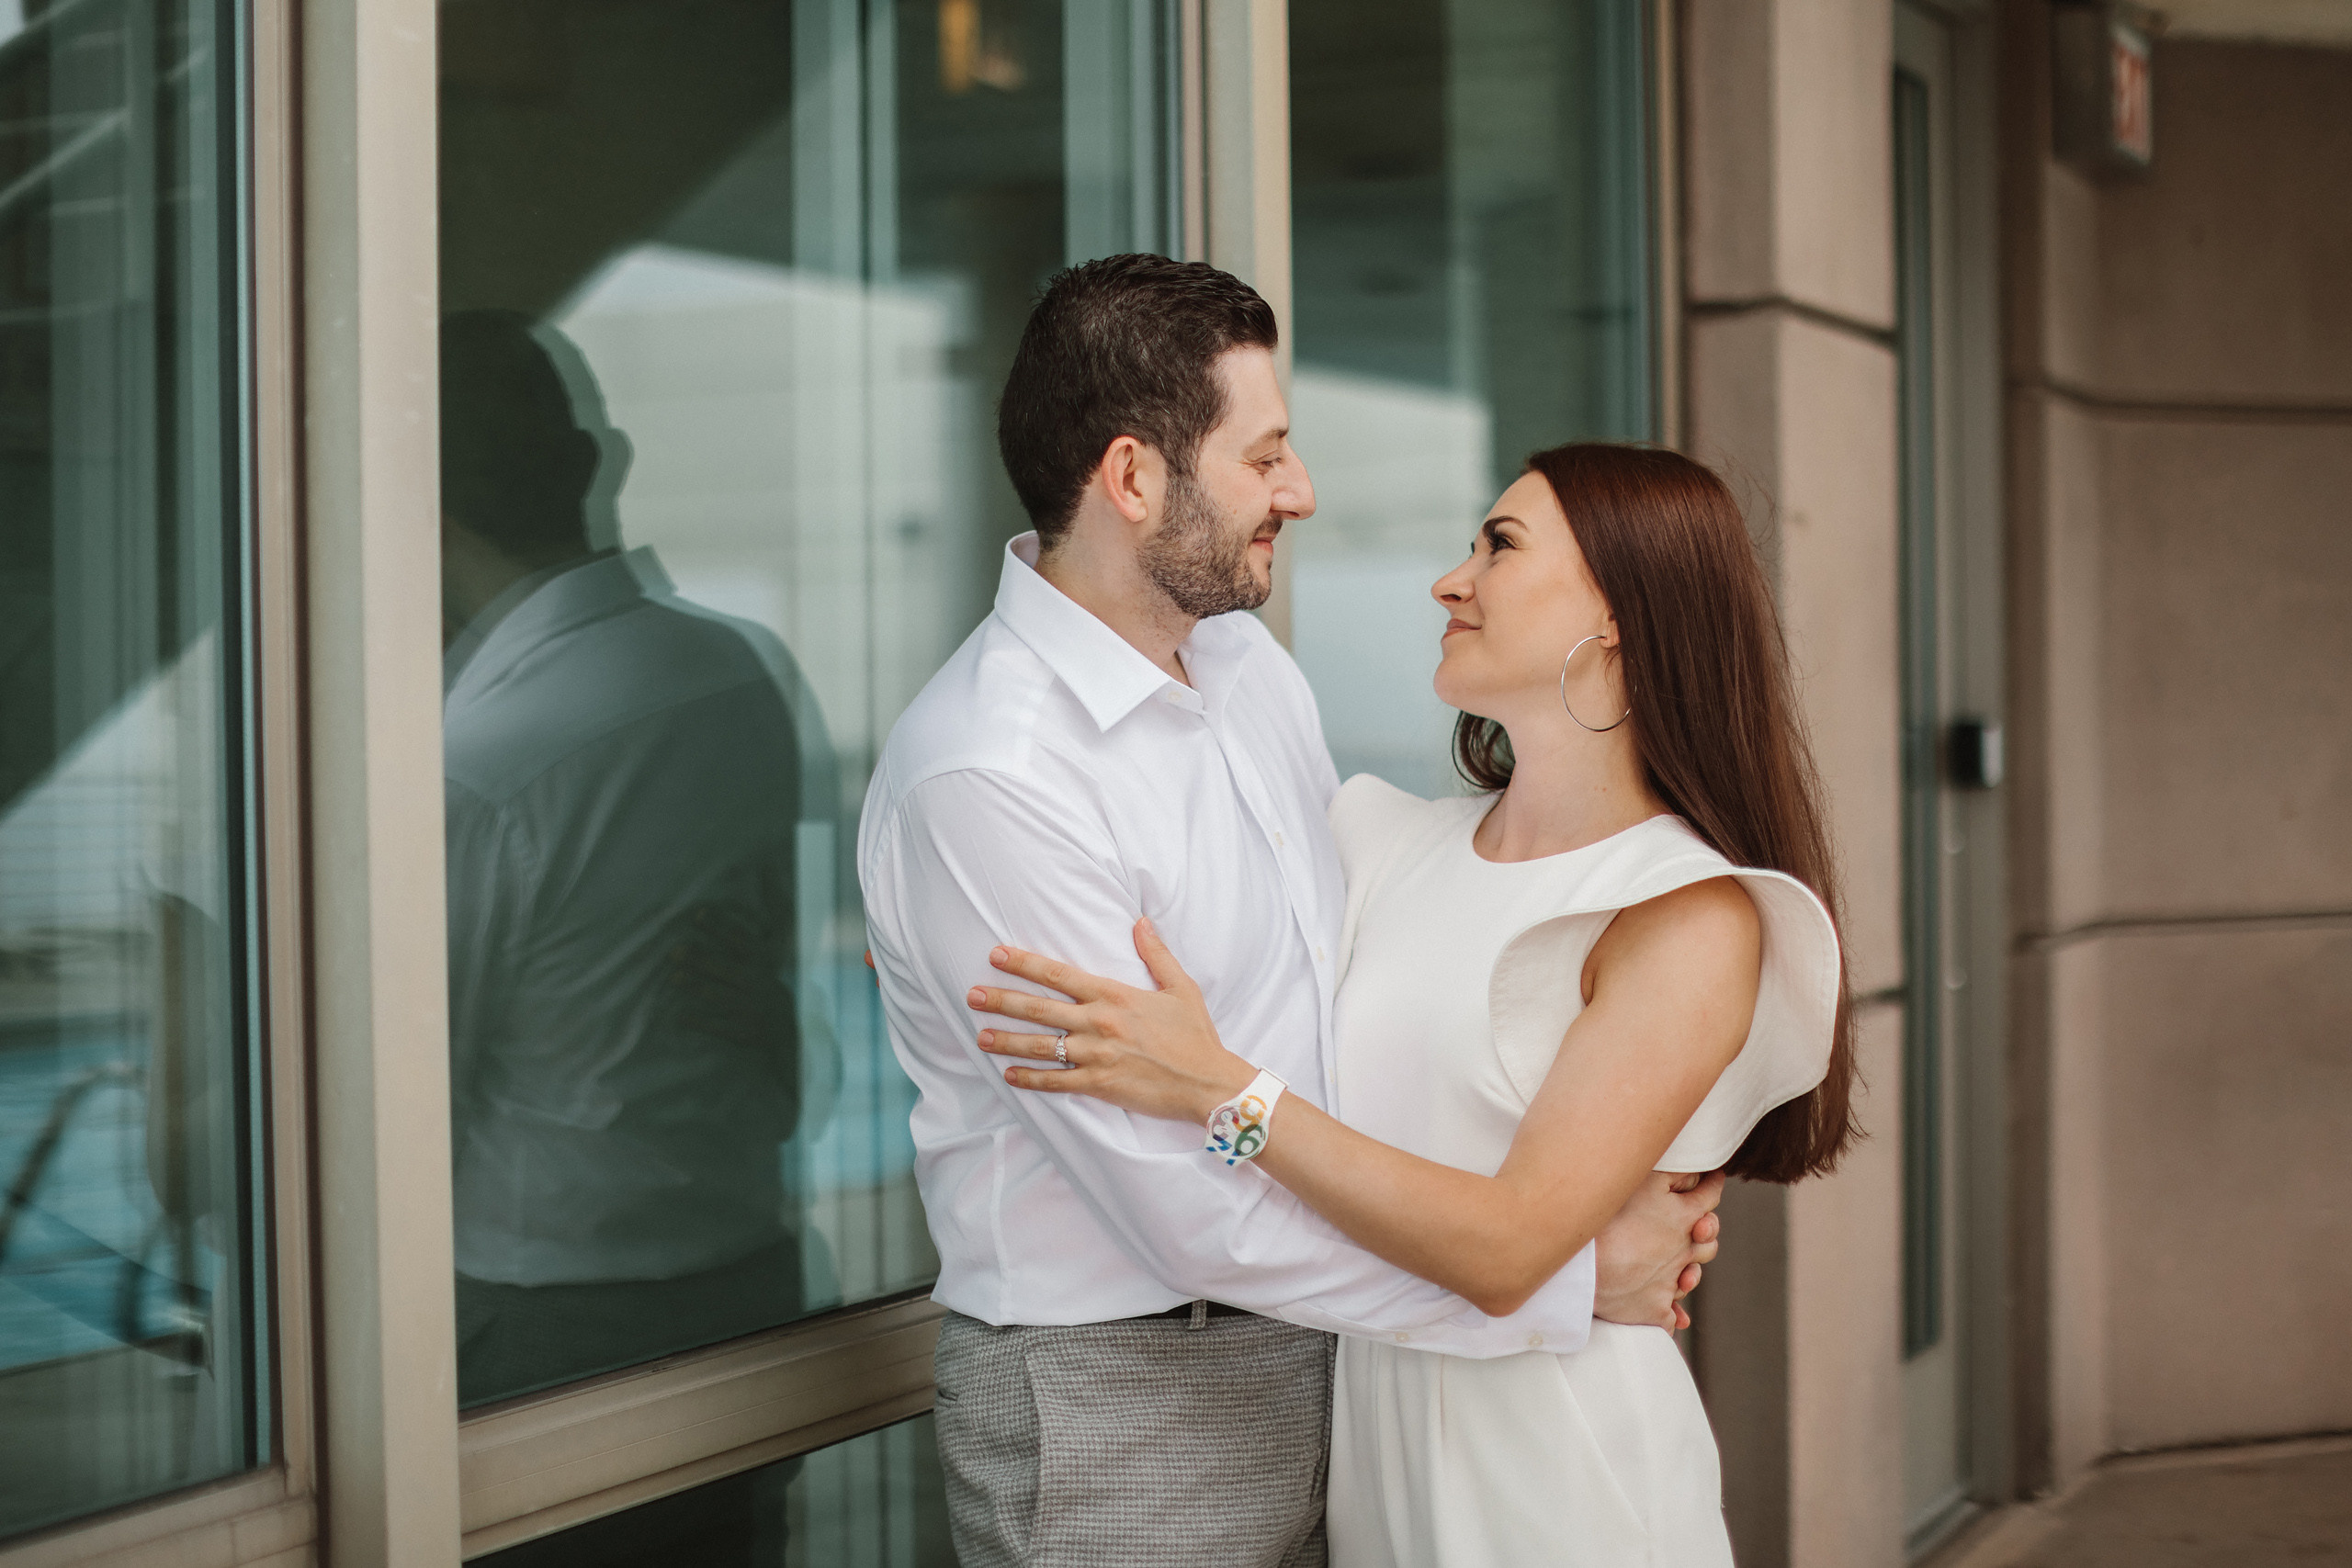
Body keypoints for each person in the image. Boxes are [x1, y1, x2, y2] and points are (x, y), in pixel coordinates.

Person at [856, 255, 1724, 1568]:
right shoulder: (993, 777)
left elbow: (1352, 989)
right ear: (1136, 476)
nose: (1301, 491)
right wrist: (1556, 1281)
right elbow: (1181, 1211)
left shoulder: (1249, 669)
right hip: (1132, 1407)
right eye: (1264, 455)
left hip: (1354, 1363)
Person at [969, 441, 1857, 1566]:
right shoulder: (1382, 840)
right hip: (1375, 1443)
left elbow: (1504, 1250)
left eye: (1500, 545)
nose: (1451, 579)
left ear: (1622, 611)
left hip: (1558, 1467)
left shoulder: (1686, 914)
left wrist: (1220, 1094)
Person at [436, 311, 832, 1427]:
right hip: (755, 1277)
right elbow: (776, 1018)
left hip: (549, 1323)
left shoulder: (483, 765)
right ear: (593, 468)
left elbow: (409, 1103)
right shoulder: (739, 671)